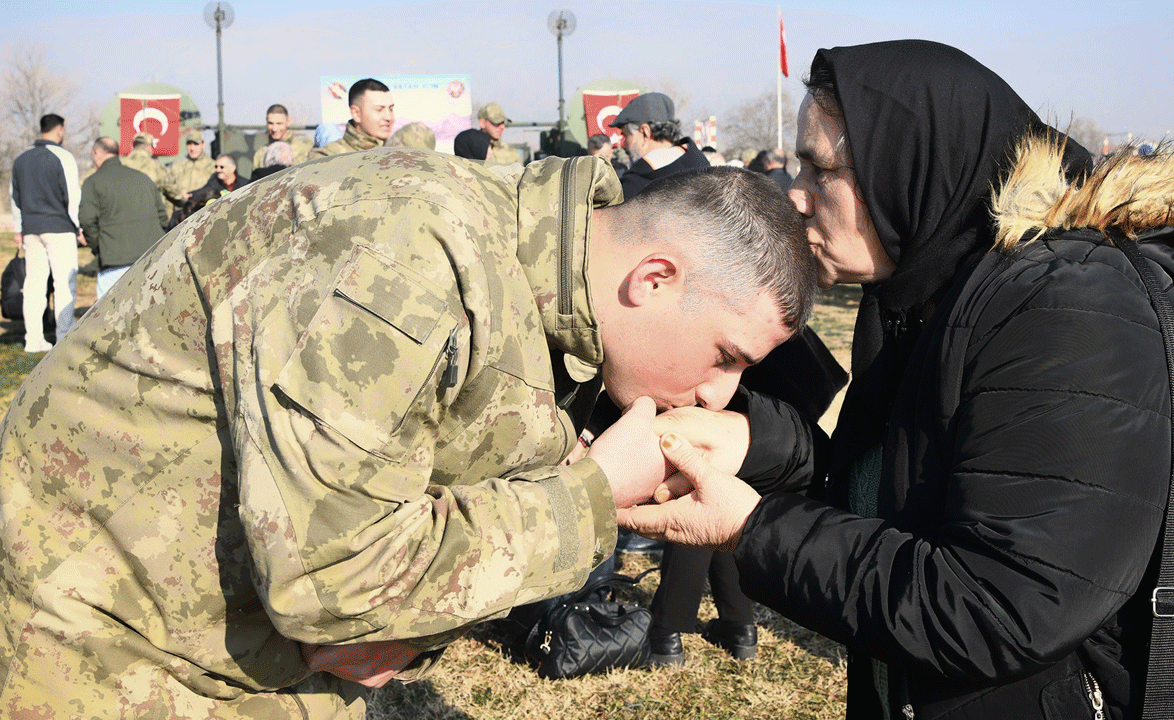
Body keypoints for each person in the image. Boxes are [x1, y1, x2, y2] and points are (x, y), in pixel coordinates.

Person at [0, 151, 815, 719]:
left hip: (224, 655)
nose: (719, 393)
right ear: (655, 279)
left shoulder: (539, 289)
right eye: (725, 357)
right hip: (109, 656)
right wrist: (594, 496)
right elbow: (334, 581)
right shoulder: (404, 254)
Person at [620, 40, 1174, 719]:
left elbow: (1003, 606)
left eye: (822, 170)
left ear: (908, 165)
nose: (797, 195)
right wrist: (752, 444)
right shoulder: (929, 296)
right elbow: (903, 500)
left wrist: (751, 529)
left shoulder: (1073, 305)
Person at [8, 112, 79, 352]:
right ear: (59, 130)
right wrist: (77, 225)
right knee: (64, 282)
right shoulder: (63, 157)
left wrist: (19, 228)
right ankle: (64, 335)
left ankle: (33, 339)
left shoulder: (21, 159)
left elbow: (14, 197)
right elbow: (72, 197)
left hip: (31, 229)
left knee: (34, 284)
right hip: (59, 227)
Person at [78, 136, 167, 298]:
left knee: (111, 317)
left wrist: (99, 247)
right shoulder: (143, 178)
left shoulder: (93, 182)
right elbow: (162, 217)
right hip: (150, 256)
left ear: (97, 153)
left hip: (114, 261)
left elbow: (87, 220)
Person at [610, 92, 709, 200]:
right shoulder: (706, 170)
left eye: (626, 135)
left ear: (645, 132)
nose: (624, 144)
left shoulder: (634, 186)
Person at [310, 78, 395, 159]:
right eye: (379, 110)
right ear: (356, 114)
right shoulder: (328, 158)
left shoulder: (398, 154)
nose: (388, 117)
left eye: (391, 109)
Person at [163, 128, 216, 214]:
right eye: (189, 144)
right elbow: (168, 192)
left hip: (203, 214)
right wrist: (180, 196)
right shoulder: (177, 166)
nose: (192, 148)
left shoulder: (212, 166)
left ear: (203, 144)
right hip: (181, 214)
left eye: (196, 144)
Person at [254, 104, 315, 170]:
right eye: (271, 123)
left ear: (288, 122)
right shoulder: (261, 153)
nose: (274, 129)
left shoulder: (305, 149)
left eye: (279, 123)